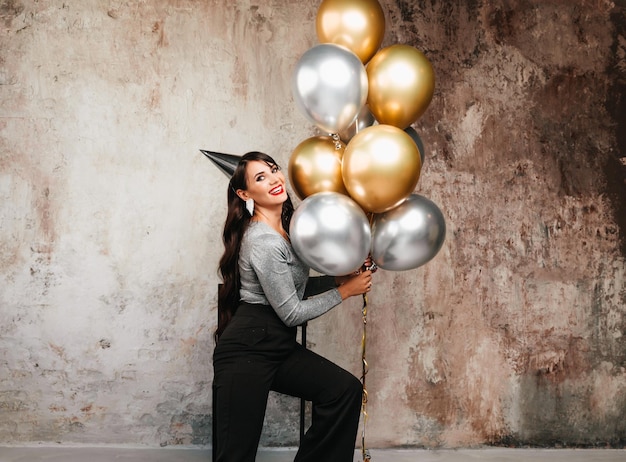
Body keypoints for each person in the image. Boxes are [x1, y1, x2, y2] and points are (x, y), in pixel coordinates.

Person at [213, 151, 375, 462]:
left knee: (344, 390)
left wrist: (342, 277)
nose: (274, 179)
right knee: (235, 454)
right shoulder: (263, 241)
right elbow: (291, 312)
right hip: (248, 348)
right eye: (260, 177)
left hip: (276, 344)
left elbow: (290, 290)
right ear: (244, 194)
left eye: (273, 170)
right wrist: (346, 292)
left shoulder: (288, 232)